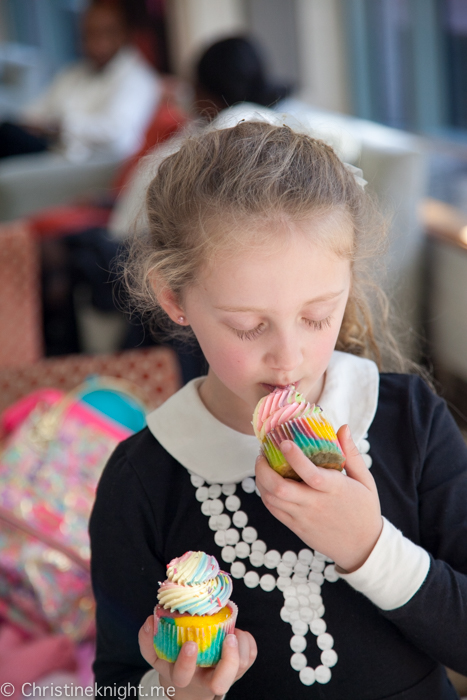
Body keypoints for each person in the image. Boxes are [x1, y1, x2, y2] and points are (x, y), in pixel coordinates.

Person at [92, 121, 467, 699]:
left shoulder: (409, 421)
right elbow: (113, 685)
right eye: (248, 326)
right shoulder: (142, 480)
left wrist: (369, 547)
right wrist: (173, 692)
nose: (289, 358)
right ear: (174, 299)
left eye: (317, 317)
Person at [0, 2, 159, 162]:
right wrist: (41, 126)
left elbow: (118, 138)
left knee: (5, 134)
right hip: (49, 150)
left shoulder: (137, 79)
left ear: (124, 33)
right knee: (8, 129)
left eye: (106, 33)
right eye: (90, 34)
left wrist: (60, 127)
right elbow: (31, 115)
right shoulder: (72, 73)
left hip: (81, 163)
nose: (98, 43)